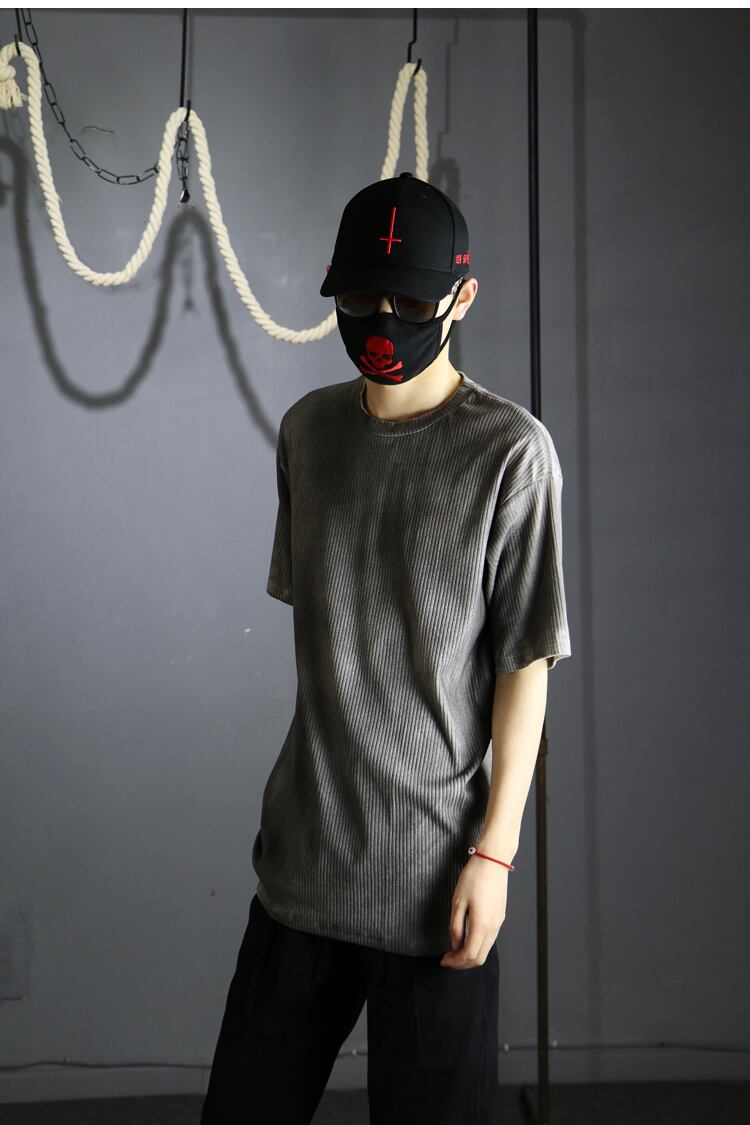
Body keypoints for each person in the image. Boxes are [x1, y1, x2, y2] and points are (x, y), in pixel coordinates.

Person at [200, 172, 572, 1125]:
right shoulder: (308, 432)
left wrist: (495, 857)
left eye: (409, 303)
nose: (382, 321)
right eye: (361, 298)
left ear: (462, 298)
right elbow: (337, 637)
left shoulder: (511, 453)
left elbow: (524, 664)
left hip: (435, 886)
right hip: (302, 866)